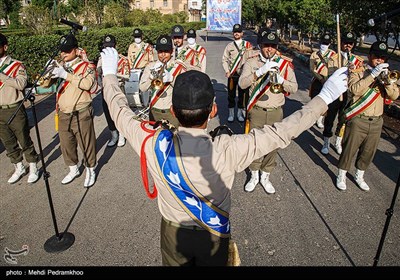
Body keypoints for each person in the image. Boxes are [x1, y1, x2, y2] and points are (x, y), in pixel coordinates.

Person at [101, 46, 347, 266]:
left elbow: (119, 109)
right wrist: (324, 98)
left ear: (173, 111)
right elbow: (282, 131)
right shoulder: (228, 149)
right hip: (214, 234)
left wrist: (109, 75)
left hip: (173, 233)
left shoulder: (152, 142)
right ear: (213, 110)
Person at [238, 29, 298, 194]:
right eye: (266, 46)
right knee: (255, 143)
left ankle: (266, 175)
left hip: (275, 111)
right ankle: (254, 174)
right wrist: (259, 72)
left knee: (273, 144)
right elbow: (242, 84)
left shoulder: (284, 64)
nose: (269, 49)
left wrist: (282, 81)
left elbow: (294, 87)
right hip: (256, 110)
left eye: (273, 46)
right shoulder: (251, 62)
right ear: (260, 46)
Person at [336, 41, 399, 191]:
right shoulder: (358, 71)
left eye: (383, 58)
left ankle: (359, 175)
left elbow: (395, 95)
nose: (380, 60)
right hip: (359, 118)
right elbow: (354, 89)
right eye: (377, 56)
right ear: (370, 55)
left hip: (377, 121)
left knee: (368, 152)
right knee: (349, 149)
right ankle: (342, 174)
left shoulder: (387, 75)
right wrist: (372, 75)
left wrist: (388, 82)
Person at [49, 34, 98, 188]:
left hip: (80, 112)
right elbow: (45, 83)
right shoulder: (60, 66)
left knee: (86, 143)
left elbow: (88, 84)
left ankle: (91, 169)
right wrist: (49, 72)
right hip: (63, 112)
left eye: (67, 51)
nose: (63, 54)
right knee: (66, 143)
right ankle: (73, 168)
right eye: (62, 51)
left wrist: (66, 75)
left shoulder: (86, 66)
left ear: (76, 51)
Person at [0, 33, 40, 184]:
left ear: (5, 47)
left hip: (14, 108)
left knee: (24, 139)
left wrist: (1, 76)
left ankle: (33, 166)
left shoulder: (16, 65)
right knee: (8, 142)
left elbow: (21, 84)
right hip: (0, 110)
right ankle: (18, 167)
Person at [321, 31, 364, 155]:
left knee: (343, 119)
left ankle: (338, 141)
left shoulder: (358, 61)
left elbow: (361, 76)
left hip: (348, 94)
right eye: (346, 43)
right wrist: (342, 70)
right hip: (335, 93)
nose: (348, 46)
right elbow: (329, 75)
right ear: (342, 43)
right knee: (330, 118)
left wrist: (353, 70)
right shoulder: (333, 58)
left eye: (350, 44)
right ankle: (326, 141)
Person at [139, 34, 191, 128]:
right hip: (154, 110)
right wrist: (151, 78)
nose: (163, 55)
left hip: (172, 111)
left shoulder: (178, 67)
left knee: (174, 140)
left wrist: (171, 79)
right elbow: (142, 89)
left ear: (171, 51)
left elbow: (186, 90)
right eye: (160, 51)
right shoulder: (150, 66)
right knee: (155, 140)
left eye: (166, 51)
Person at [97, 34, 130, 147]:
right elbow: (98, 74)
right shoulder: (102, 58)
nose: (108, 49)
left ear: (115, 46)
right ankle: (114, 134)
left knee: (119, 111)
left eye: (111, 46)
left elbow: (127, 75)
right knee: (107, 112)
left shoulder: (122, 59)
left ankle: (121, 134)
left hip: (118, 87)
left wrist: (113, 74)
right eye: (106, 46)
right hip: (105, 89)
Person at [222, 23, 253, 122]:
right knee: (231, 95)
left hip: (244, 74)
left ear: (242, 33)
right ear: (232, 33)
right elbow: (224, 59)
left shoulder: (248, 45)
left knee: (242, 95)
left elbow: (252, 59)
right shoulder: (229, 46)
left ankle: (239, 113)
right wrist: (227, 71)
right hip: (232, 74)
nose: (237, 33)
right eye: (235, 32)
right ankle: (231, 114)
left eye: (238, 32)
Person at [309, 32, 336, 129]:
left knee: (325, 102)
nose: (324, 45)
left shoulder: (333, 55)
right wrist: (321, 79)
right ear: (320, 42)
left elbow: (336, 68)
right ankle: (312, 118)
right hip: (317, 80)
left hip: (329, 81)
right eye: (323, 43)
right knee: (315, 99)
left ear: (329, 44)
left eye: (326, 43)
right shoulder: (314, 54)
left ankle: (319, 119)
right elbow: (312, 69)